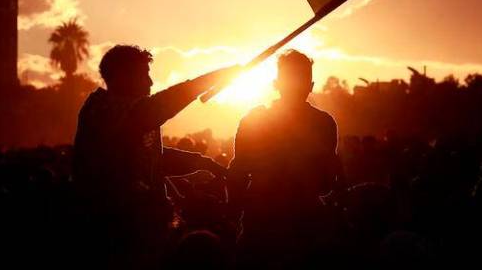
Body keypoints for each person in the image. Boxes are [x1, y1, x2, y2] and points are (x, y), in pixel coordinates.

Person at [72, 44, 239, 258]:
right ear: (123, 77)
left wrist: (203, 163)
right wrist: (216, 77)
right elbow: (163, 104)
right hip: (116, 230)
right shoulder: (104, 111)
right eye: (144, 75)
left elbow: (150, 159)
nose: (150, 83)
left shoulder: (119, 112)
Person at [227, 50, 344, 266]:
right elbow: (328, 182)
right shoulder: (323, 123)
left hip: (270, 224)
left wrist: (235, 211)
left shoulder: (255, 119)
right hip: (294, 226)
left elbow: (237, 173)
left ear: (276, 84)